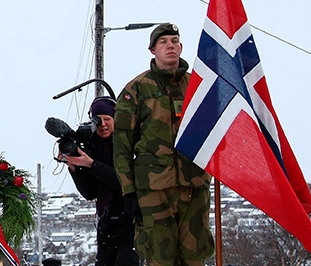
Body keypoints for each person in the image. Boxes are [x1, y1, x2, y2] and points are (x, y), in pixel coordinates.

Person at [113, 23, 214, 266]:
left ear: (181, 47)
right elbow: (122, 145)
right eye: (163, 42)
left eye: (174, 41)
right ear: (153, 50)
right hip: (154, 188)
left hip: (194, 184)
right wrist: (128, 191)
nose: (170, 46)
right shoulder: (136, 89)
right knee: (160, 257)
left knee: (195, 256)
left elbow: (214, 131)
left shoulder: (198, 86)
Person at [60, 96, 139, 266]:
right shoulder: (92, 148)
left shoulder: (128, 145)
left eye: (107, 119)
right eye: (98, 120)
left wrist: (91, 164)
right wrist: (74, 167)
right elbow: (90, 193)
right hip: (106, 221)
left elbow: (125, 182)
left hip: (130, 220)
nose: (103, 125)